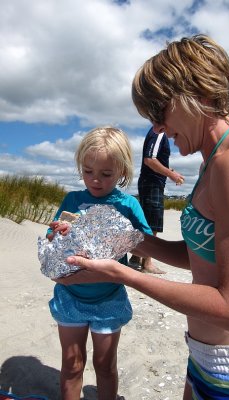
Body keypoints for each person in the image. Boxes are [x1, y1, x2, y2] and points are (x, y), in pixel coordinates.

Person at [55, 35, 229, 399]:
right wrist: (120, 237)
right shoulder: (214, 163)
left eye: (160, 111)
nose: (158, 127)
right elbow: (200, 254)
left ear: (200, 92)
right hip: (205, 358)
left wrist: (121, 272)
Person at [47, 127, 152, 400]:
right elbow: (53, 240)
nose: (95, 180)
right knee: (71, 364)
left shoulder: (128, 205)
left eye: (106, 174)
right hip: (70, 295)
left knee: (105, 365)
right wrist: (56, 231)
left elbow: (147, 242)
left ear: (122, 172)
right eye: (88, 171)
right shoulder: (73, 200)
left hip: (109, 297)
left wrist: (119, 236)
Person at [128, 127, 184, 273]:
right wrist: (172, 176)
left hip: (151, 182)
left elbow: (155, 159)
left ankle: (135, 258)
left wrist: (170, 172)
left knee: (146, 219)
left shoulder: (158, 134)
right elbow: (149, 160)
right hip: (151, 182)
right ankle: (147, 262)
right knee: (153, 222)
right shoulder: (159, 132)